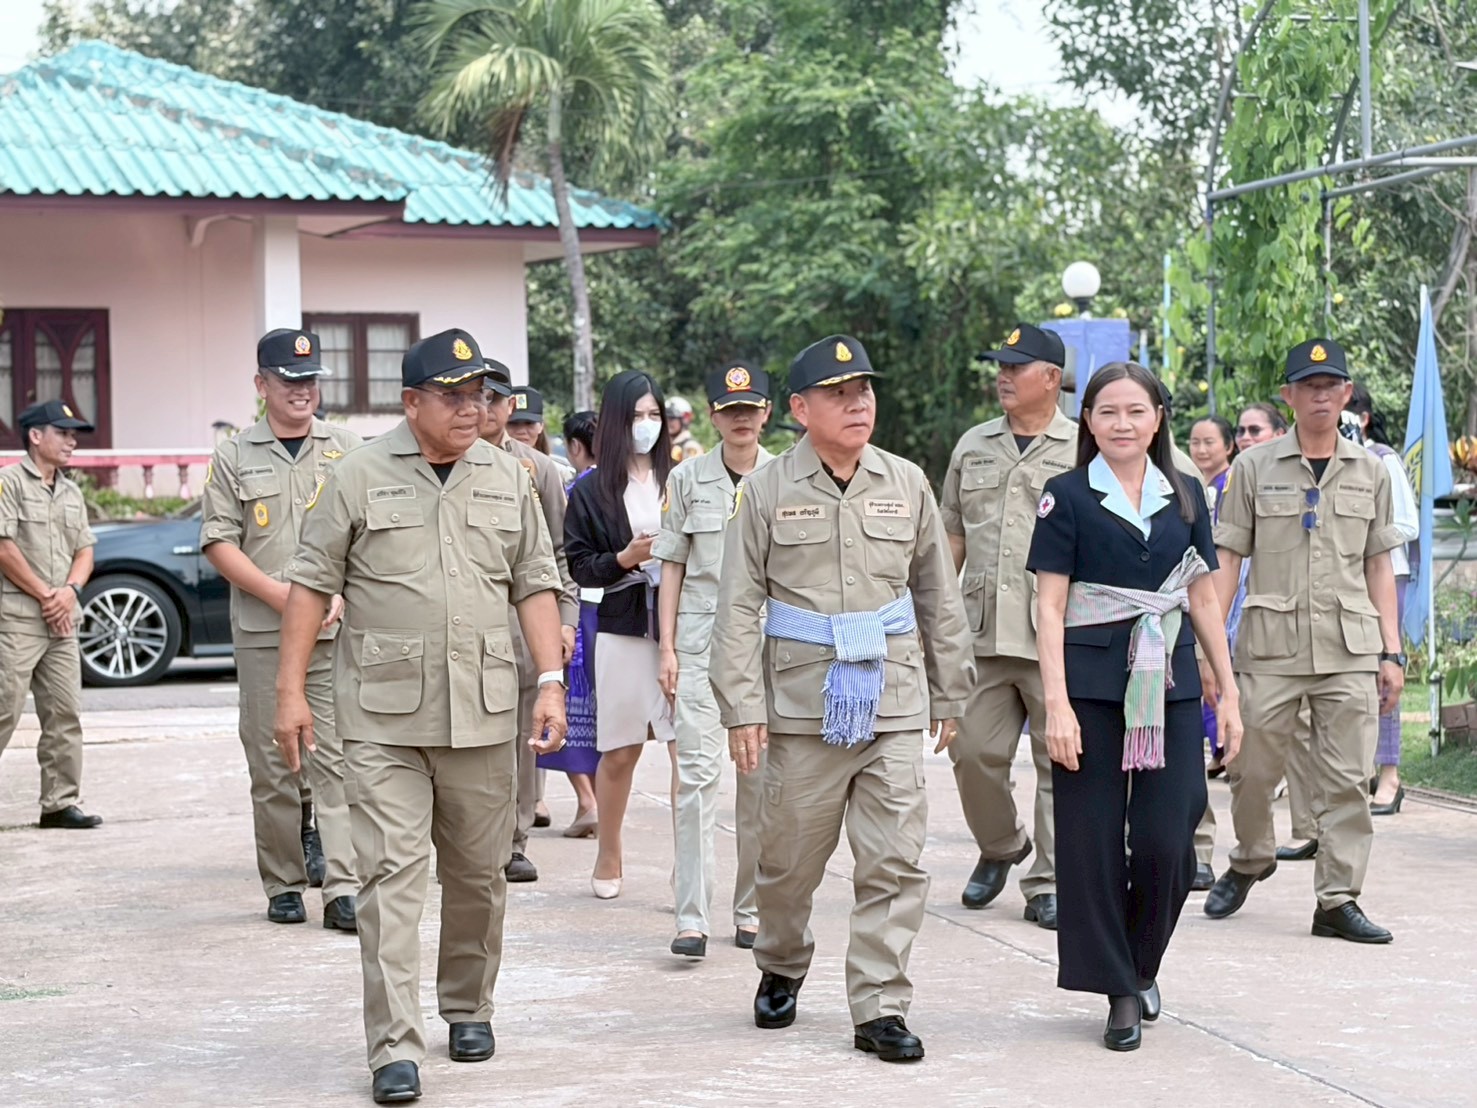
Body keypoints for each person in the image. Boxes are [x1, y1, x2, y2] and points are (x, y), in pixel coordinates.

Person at [274, 327, 568, 1105]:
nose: (472, 408)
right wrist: (290, 692)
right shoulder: (357, 475)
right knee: (390, 881)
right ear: (411, 402)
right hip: (384, 721)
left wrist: (550, 682)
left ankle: (468, 1006)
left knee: (477, 875)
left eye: (480, 394)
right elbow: (310, 584)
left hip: (483, 714)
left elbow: (534, 584)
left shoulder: (507, 477)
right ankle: (394, 1046)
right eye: (453, 395)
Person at [712, 335, 974, 1063]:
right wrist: (742, 705)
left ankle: (880, 1006)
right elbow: (737, 604)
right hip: (802, 706)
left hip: (891, 697)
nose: (858, 403)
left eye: (864, 390)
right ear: (799, 409)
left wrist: (950, 688)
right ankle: (781, 959)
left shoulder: (906, 482)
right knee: (787, 862)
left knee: (894, 860)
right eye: (838, 393)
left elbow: (936, 593)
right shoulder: (766, 490)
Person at [1029, 360, 1241, 1052]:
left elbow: (1202, 595)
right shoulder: (1065, 495)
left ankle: (1141, 961)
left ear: (1157, 420)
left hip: (1168, 683)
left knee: (1169, 835)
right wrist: (1055, 705)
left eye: (1135, 411)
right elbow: (1049, 606)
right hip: (1089, 687)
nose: (1122, 423)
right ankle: (1119, 989)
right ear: (1088, 421)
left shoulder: (1185, 493)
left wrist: (1228, 691)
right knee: (1089, 841)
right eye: (1107, 412)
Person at [1206, 339, 1405, 944]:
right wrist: (1210, 652)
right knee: (1249, 768)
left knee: (1347, 779)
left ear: (1346, 394)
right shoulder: (1253, 469)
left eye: (1331, 385)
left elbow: (1379, 565)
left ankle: (1337, 899)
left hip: (1349, 647)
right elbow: (1228, 559)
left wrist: (1392, 651)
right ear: (1288, 396)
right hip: (1270, 648)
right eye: (1308, 386)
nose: (1321, 395)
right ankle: (1251, 857)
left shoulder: (1370, 471)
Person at [200, 328, 362, 929]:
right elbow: (219, 540)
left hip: (334, 633)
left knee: (336, 758)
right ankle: (284, 881)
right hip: (265, 634)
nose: (302, 391)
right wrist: (281, 595)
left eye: (310, 380)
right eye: (289, 380)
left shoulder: (347, 450)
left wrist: (339, 592)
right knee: (274, 764)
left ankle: (342, 886)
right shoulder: (234, 455)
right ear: (261, 385)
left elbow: (369, 534)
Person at [940, 322, 1074, 929]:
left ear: (1051, 378)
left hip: (1058, 633)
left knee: (1059, 761)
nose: (1003, 376)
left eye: (1016, 367)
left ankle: (1048, 882)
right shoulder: (974, 445)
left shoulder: (1084, 448)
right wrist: (933, 618)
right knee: (970, 752)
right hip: (983, 630)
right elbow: (952, 536)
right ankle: (1001, 844)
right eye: (1001, 366)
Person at [656, 361, 774, 959]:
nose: (741, 420)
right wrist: (667, 647)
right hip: (700, 640)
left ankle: (751, 909)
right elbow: (672, 565)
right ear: (712, 417)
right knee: (697, 781)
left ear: (767, 414)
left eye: (750, 409)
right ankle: (691, 918)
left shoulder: (785, 477)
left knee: (758, 782)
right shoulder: (687, 478)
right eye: (730, 411)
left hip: (766, 644)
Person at [564, 371, 677, 900]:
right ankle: (609, 851)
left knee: (685, 749)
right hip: (622, 623)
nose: (647, 426)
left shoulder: (682, 479)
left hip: (680, 626)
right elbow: (580, 565)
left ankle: (688, 865)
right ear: (614, 421)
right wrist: (625, 558)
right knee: (621, 749)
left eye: (654, 415)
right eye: (636, 416)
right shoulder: (590, 490)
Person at [477, 362, 582, 882]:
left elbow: (560, 553)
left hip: (523, 625)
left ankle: (515, 841)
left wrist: (566, 620)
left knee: (523, 736)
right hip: (468, 621)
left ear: (509, 405)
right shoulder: (445, 462)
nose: (485, 409)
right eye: (478, 397)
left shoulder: (538, 470)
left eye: (496, 399)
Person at [0, 400, 101, 829]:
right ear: (36, 436)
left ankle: (59, 804)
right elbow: (4, 547)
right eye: (63, 433)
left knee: (64, 713)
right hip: (19, 618)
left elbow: (85, 550)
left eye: (73, 434)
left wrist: (70, 592)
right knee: (4, 708)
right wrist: (48, 596)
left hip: (62, 620)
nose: (71, 441)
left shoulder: (71, 491)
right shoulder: (8, 483)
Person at [1344, 385, 1419, 815]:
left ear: (1362, 417)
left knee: (1384, 670)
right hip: (1343, 576)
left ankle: (1390, 774)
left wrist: (1365, 532)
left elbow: (1407, 524)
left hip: (1385, 573)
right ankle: (1363, 769)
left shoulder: (1383, 459)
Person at [538, 409, 602, 836]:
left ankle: (587, 801)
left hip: (578, 609)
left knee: (566, 710)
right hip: (616, 611)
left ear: (575, 447)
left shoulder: (576, 490)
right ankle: (596, 803)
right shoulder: (626, 487)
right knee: (598, 714)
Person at [666, 396, 705, 462]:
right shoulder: (668, 445)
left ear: (684, 419)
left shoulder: (690, 446)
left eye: (672, 418)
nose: (667, 422)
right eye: (665, 418)